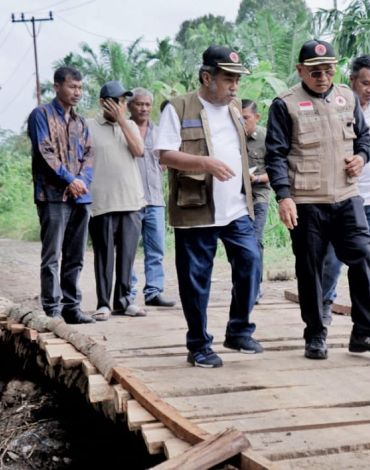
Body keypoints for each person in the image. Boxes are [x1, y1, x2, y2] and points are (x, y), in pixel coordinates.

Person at [265, 39, 370, 360]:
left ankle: (364, 333)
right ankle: (315, 335)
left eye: (327, 70)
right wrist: (284, 197)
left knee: (363, 258)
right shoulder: (285, 104)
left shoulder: (346, 97)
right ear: (300, 71)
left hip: (347, 197)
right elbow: (275, 155)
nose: (322, 76)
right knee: (310, 269)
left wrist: (362, 157)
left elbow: (364, 137)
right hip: (307, 202)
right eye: (314, 71)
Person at [155, 45, 263, 368]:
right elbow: (164, 154)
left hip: (235, 208)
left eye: (237, 80)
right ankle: (198, 345)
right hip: (196, 207)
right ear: (207, 77)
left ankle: (239, 330)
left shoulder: (232, 109)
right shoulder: (178, 108)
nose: (235, 87)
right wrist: (204, 162)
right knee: (195, 279)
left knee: (251, 260)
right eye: (228, 79)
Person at [320, 55, 370, 330]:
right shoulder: (333, 106)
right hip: (339, 196)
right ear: (352, 79)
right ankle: (324, 305)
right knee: (331, 258)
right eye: (366, 83)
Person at [27, 66, 95, 324]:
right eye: (72, 87)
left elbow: (89, 155)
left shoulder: (80, 122)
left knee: (75, 256)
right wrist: (70, 180)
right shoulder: (40, 115)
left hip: (80, 198)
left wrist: (81, 182)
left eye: (80, 87)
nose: (77, 92)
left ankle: (72, 307)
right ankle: (52, 309)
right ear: (57, 86)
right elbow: (45, 153)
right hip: (52, 197)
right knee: (52, 255)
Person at [86, 81, 146, 320]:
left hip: (131, 200)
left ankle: (124, 300)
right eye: (116, 101)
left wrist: (122, 121)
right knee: (104, 255)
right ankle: (103, 303)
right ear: (103, 103)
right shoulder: (88, 126)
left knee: (127, 255)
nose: (121, 105)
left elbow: (139, 151)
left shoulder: (130, 124)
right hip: (101, 202)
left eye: (123, 101)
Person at [127, 87, 176, 308]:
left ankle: (154, 291)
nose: (144, 108)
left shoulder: (159, 131)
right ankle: (128, 293)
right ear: (130, 105)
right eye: (139, 104)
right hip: (130, 200)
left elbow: (166, 160)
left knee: (156, 249)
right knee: (129, 250)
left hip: (155, 199)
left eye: (147, 104)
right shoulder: (124, 129)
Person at [241, 99, 270, 304]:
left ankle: (255, 286)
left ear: (256, 118)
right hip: (237, 198)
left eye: (246, 118)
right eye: (238, 118)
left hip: (259, 194)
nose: (242, 123)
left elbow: (278, 168)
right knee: (240, 242)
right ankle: (241, 284)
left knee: (255, 239)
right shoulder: (231, 137)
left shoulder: (266, 137)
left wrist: (258, 178)